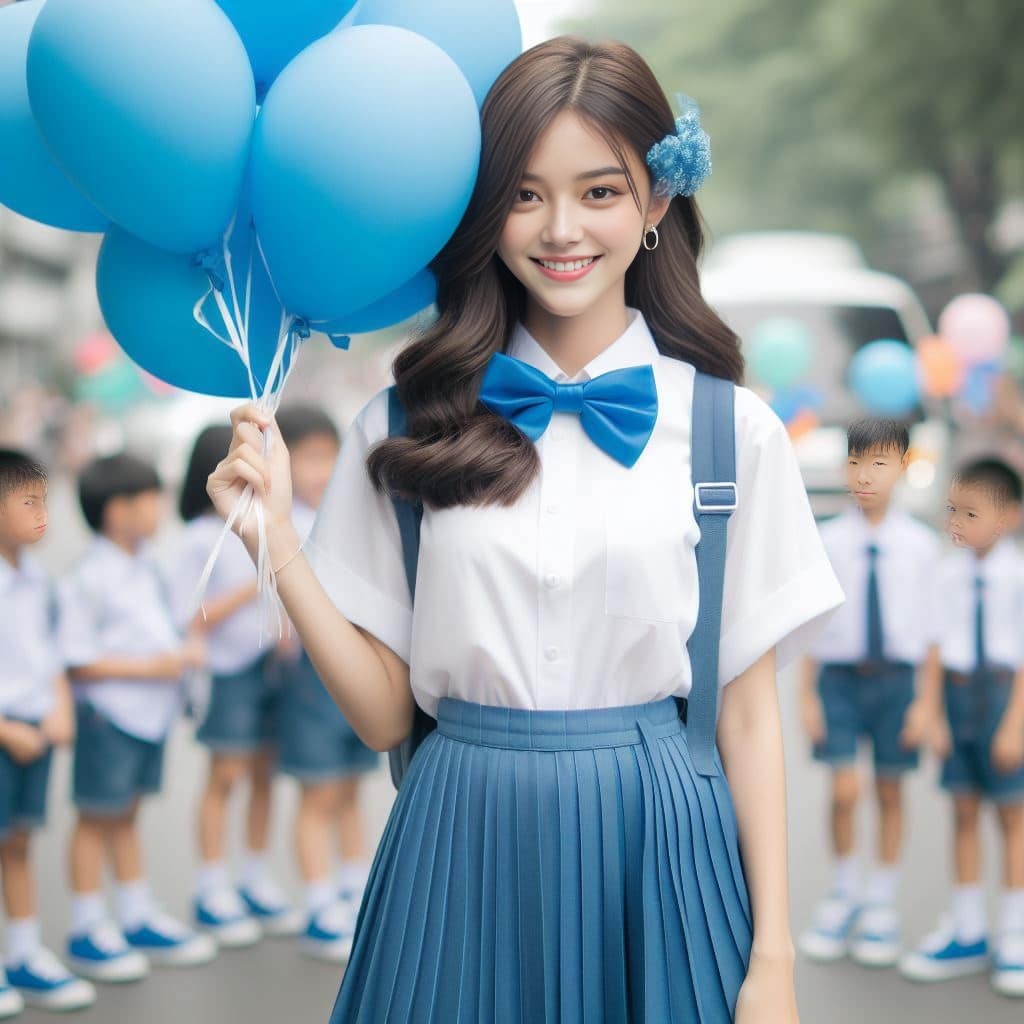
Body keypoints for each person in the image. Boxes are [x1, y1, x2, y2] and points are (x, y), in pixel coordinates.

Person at [208, 37, 844, 1023]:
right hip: (456, 831)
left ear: (655, 204)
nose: (560, 229)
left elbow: (751, 719)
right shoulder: (402, 421)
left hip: (662, 844)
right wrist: (274, 540)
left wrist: (773, 959)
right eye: (523, 193)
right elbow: (384, 717)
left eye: (599, 191)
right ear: (485, 209)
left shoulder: (731, 431)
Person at [58, 454, 216, 982]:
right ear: (115, 511)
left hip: (149, 716)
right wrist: (157, 665)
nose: (157, 508)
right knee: (95, 818)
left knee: (125, 815)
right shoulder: (90, 576)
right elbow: (78, 661)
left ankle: (133, 913)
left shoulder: (148, 562)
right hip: (111, 717)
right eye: (147, 498)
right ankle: (85, 927)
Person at [797, 419, 939, 966]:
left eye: (880, 463)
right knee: (844, 789)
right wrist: (806, 697)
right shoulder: (827, 539)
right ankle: (843, 889)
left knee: (889, 789)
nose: (866, 475)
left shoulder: (921, 547)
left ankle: (881, 901)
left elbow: (930, 633)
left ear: (903, 468)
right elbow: (813, 624)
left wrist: (926, 703)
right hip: (839, 680)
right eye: (857, 463)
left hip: (898, 682)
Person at [171, 426, 301, 947]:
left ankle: (253, 876)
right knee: (225, 775)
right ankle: (210, 886)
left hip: (269, 664)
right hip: (228, 671)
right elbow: (190, 615)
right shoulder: (199, 538)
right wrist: (258, 579)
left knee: (265, 774)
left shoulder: (263, 524)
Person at [899, 458, 1024, 997]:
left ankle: (1016, 936)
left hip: (1002, 696)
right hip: (957, 694)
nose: (957, 523)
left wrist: (1015, 726)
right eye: (953, 510)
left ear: (1009, 517)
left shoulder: (1018, 576)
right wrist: (931, 711)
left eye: (971, 513)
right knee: (964, 811)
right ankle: (970, 929)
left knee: (1012, 819)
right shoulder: (946, 572)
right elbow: (932, 645)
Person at [273, 406, 378, 963]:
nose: (320, 469)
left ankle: (355, 886)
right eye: (306, 456)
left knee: (350, 789)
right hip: (309, 676)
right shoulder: (277, 522)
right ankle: (318, 903)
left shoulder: (347, 515)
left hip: (355, 663)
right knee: (319, 791)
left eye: (326, 455)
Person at [0, 451, 94, 1014]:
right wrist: (7, 729)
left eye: (46, 502)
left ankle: (24, 952)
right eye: (29, 502)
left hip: (34, 727)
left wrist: (58, 708)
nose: (43, 516)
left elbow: (50, 655)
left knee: (18, 841)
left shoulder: (36, 577)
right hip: (8, 730)